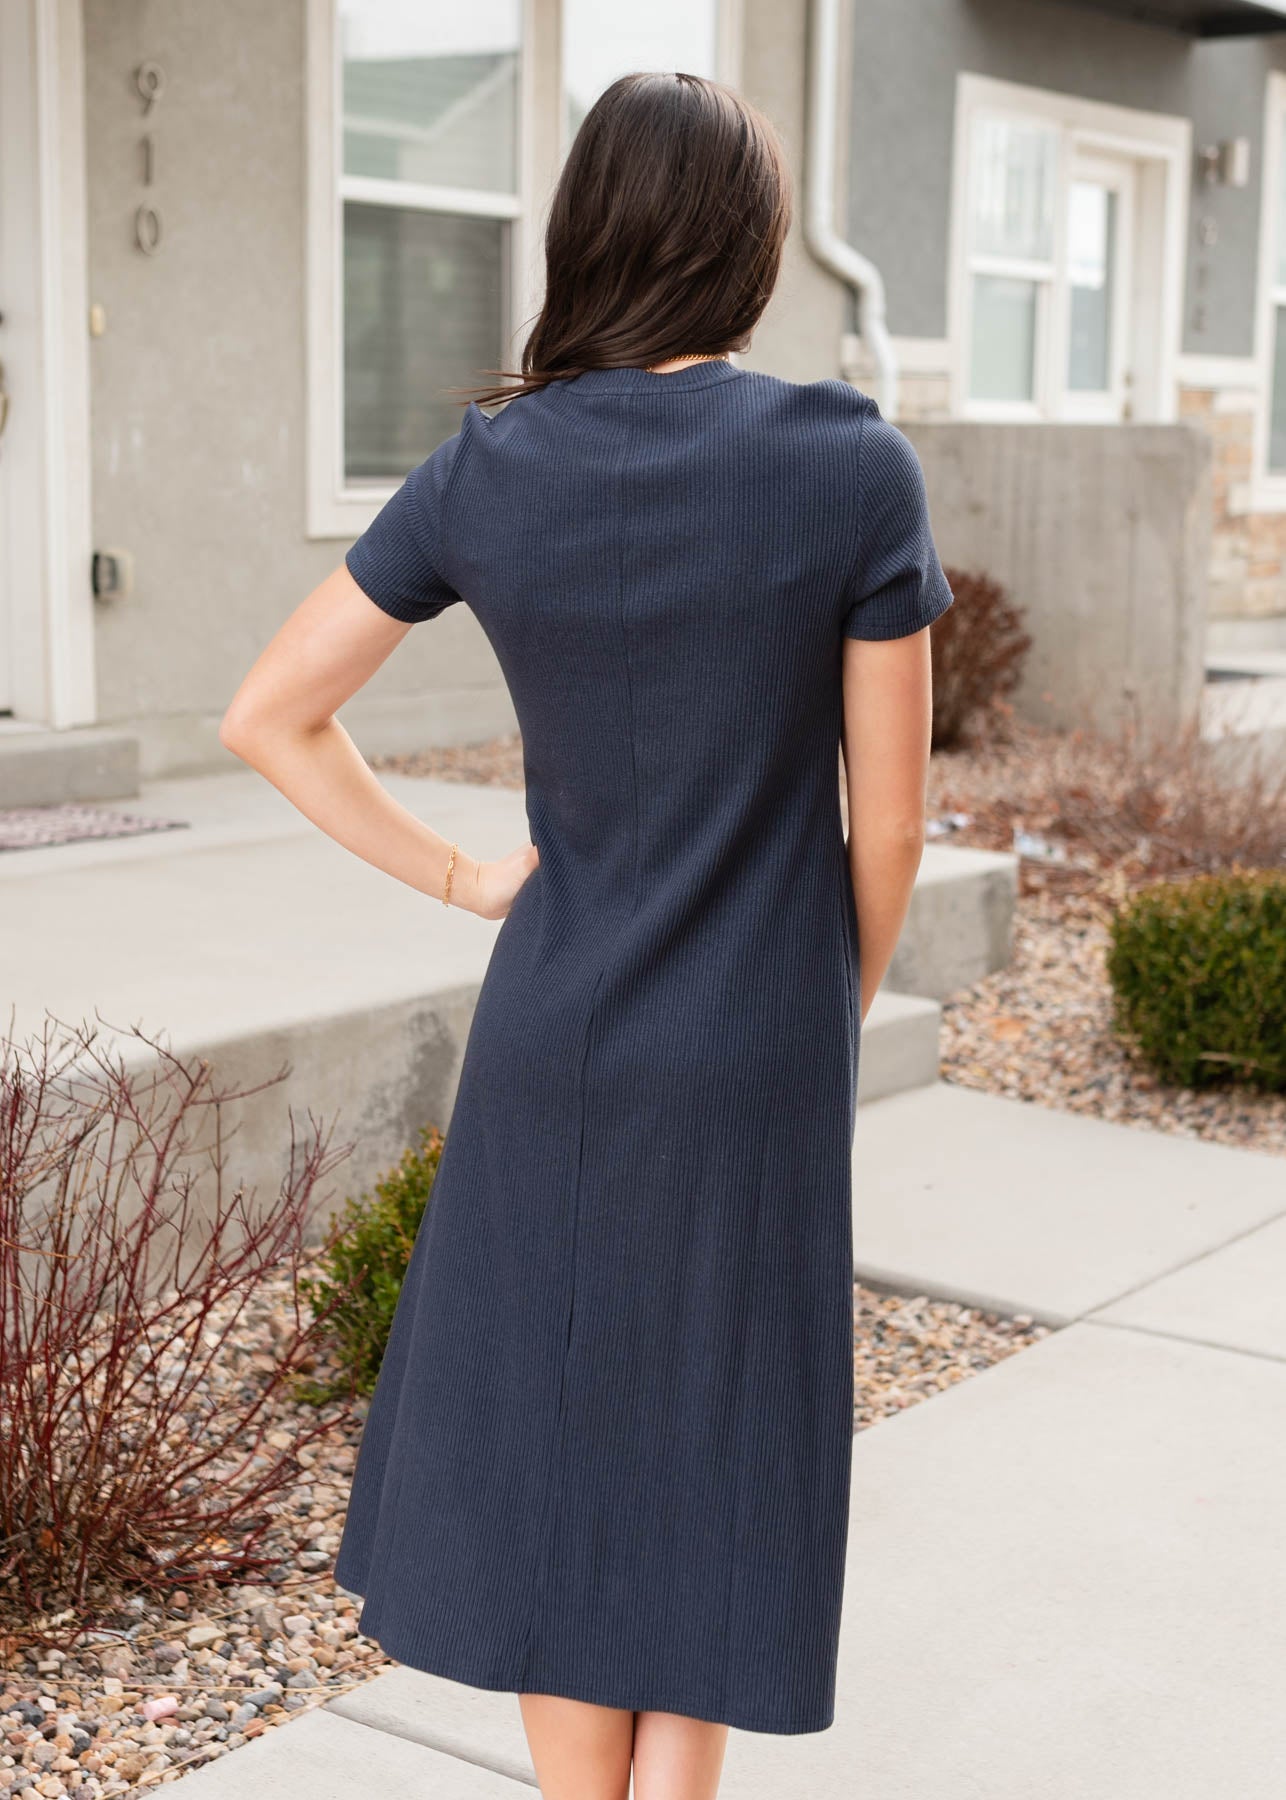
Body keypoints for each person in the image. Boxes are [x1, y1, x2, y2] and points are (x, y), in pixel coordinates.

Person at [220, 67, 953, 1800]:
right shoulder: (848, 464)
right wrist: (818, 999)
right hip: (755, 1036)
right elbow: (896, 821)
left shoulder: (493, 463)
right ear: (744, 249)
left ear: (586, 232)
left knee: (563, 1440)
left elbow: (270, 712)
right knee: (703, 1447)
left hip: (555, 1031)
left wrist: (467, 880)